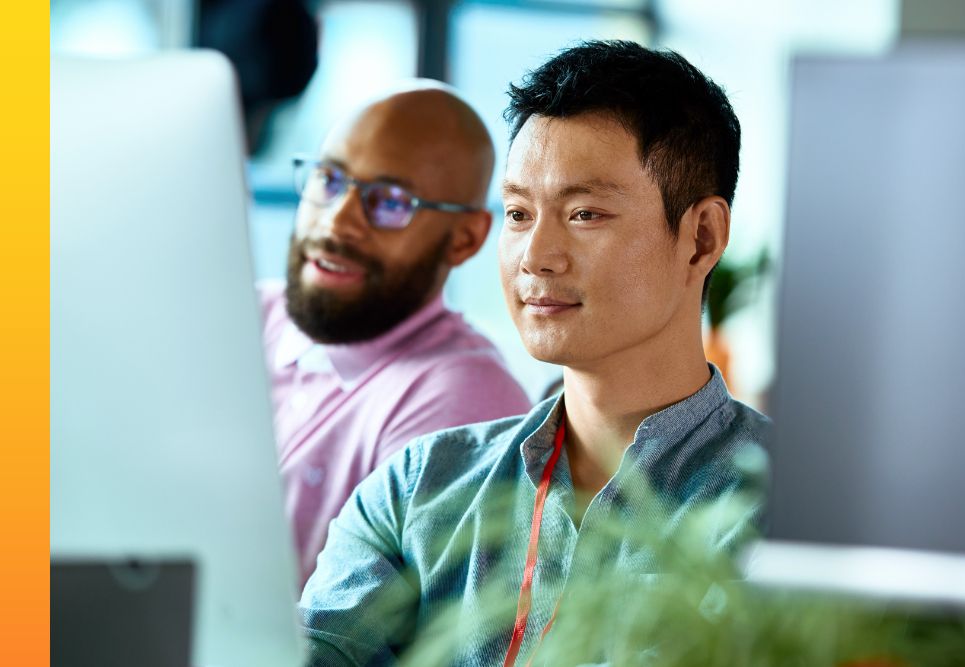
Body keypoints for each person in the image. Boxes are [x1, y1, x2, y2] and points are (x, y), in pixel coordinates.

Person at [298, 41, 770, 665]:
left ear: (701, 237)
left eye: (584, 213)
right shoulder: (419, 487)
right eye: (519, 213)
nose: (536, 255)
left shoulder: (782, 515)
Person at [259, 83, 532, 587]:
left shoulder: (461, 398)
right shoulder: (248, 312)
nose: (338, 220)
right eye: (329, 179)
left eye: (389, 201)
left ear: (465, 238)